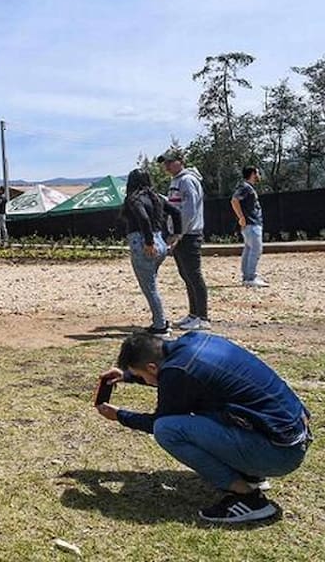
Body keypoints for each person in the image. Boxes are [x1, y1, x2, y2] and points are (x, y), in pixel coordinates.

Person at [96, 331, 312, 524]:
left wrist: (120, 416)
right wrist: (129, 376)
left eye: (142, 375)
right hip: (291, 436)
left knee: (167, 429)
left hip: (279, 454)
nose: (145, 380)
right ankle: (249, 474)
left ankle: (249, 498)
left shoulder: (178, 371)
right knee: (203, 411)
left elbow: (158, 420)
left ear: (152, 367)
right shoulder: (194, 341)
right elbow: (170, 378)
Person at [119, 169, 182, 335]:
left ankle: (160, 326)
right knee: (151, 284)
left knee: (150, 288)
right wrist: (176, 235)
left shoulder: (133, 199)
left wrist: (148, 242)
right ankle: (160, 321)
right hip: (160, 242)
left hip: (143, 243)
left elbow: (143, 218)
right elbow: (176, 212)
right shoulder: (157, 198)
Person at [158, 150, 209, 330]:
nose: (167, 166)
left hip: (189, 235)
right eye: (165, 163)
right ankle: (193, 314)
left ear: (180, 161)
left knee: (194, 275)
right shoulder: (176, 181)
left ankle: (203, 317)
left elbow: (189, 210)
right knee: (186, 275)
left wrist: (179, 234)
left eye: (170, 162)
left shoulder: (187, 180)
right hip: (181, 234)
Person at [231, 166, 267, 288]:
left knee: (249, 249)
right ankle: (250, 277)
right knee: (256, 249)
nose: (259, 175)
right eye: (257, 173)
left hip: (250, 224)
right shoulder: (245, 187)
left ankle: (247, 276)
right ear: (253, 174)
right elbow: (234, 200)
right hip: (251, 224)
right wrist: (241, 217)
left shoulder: (247, 187)